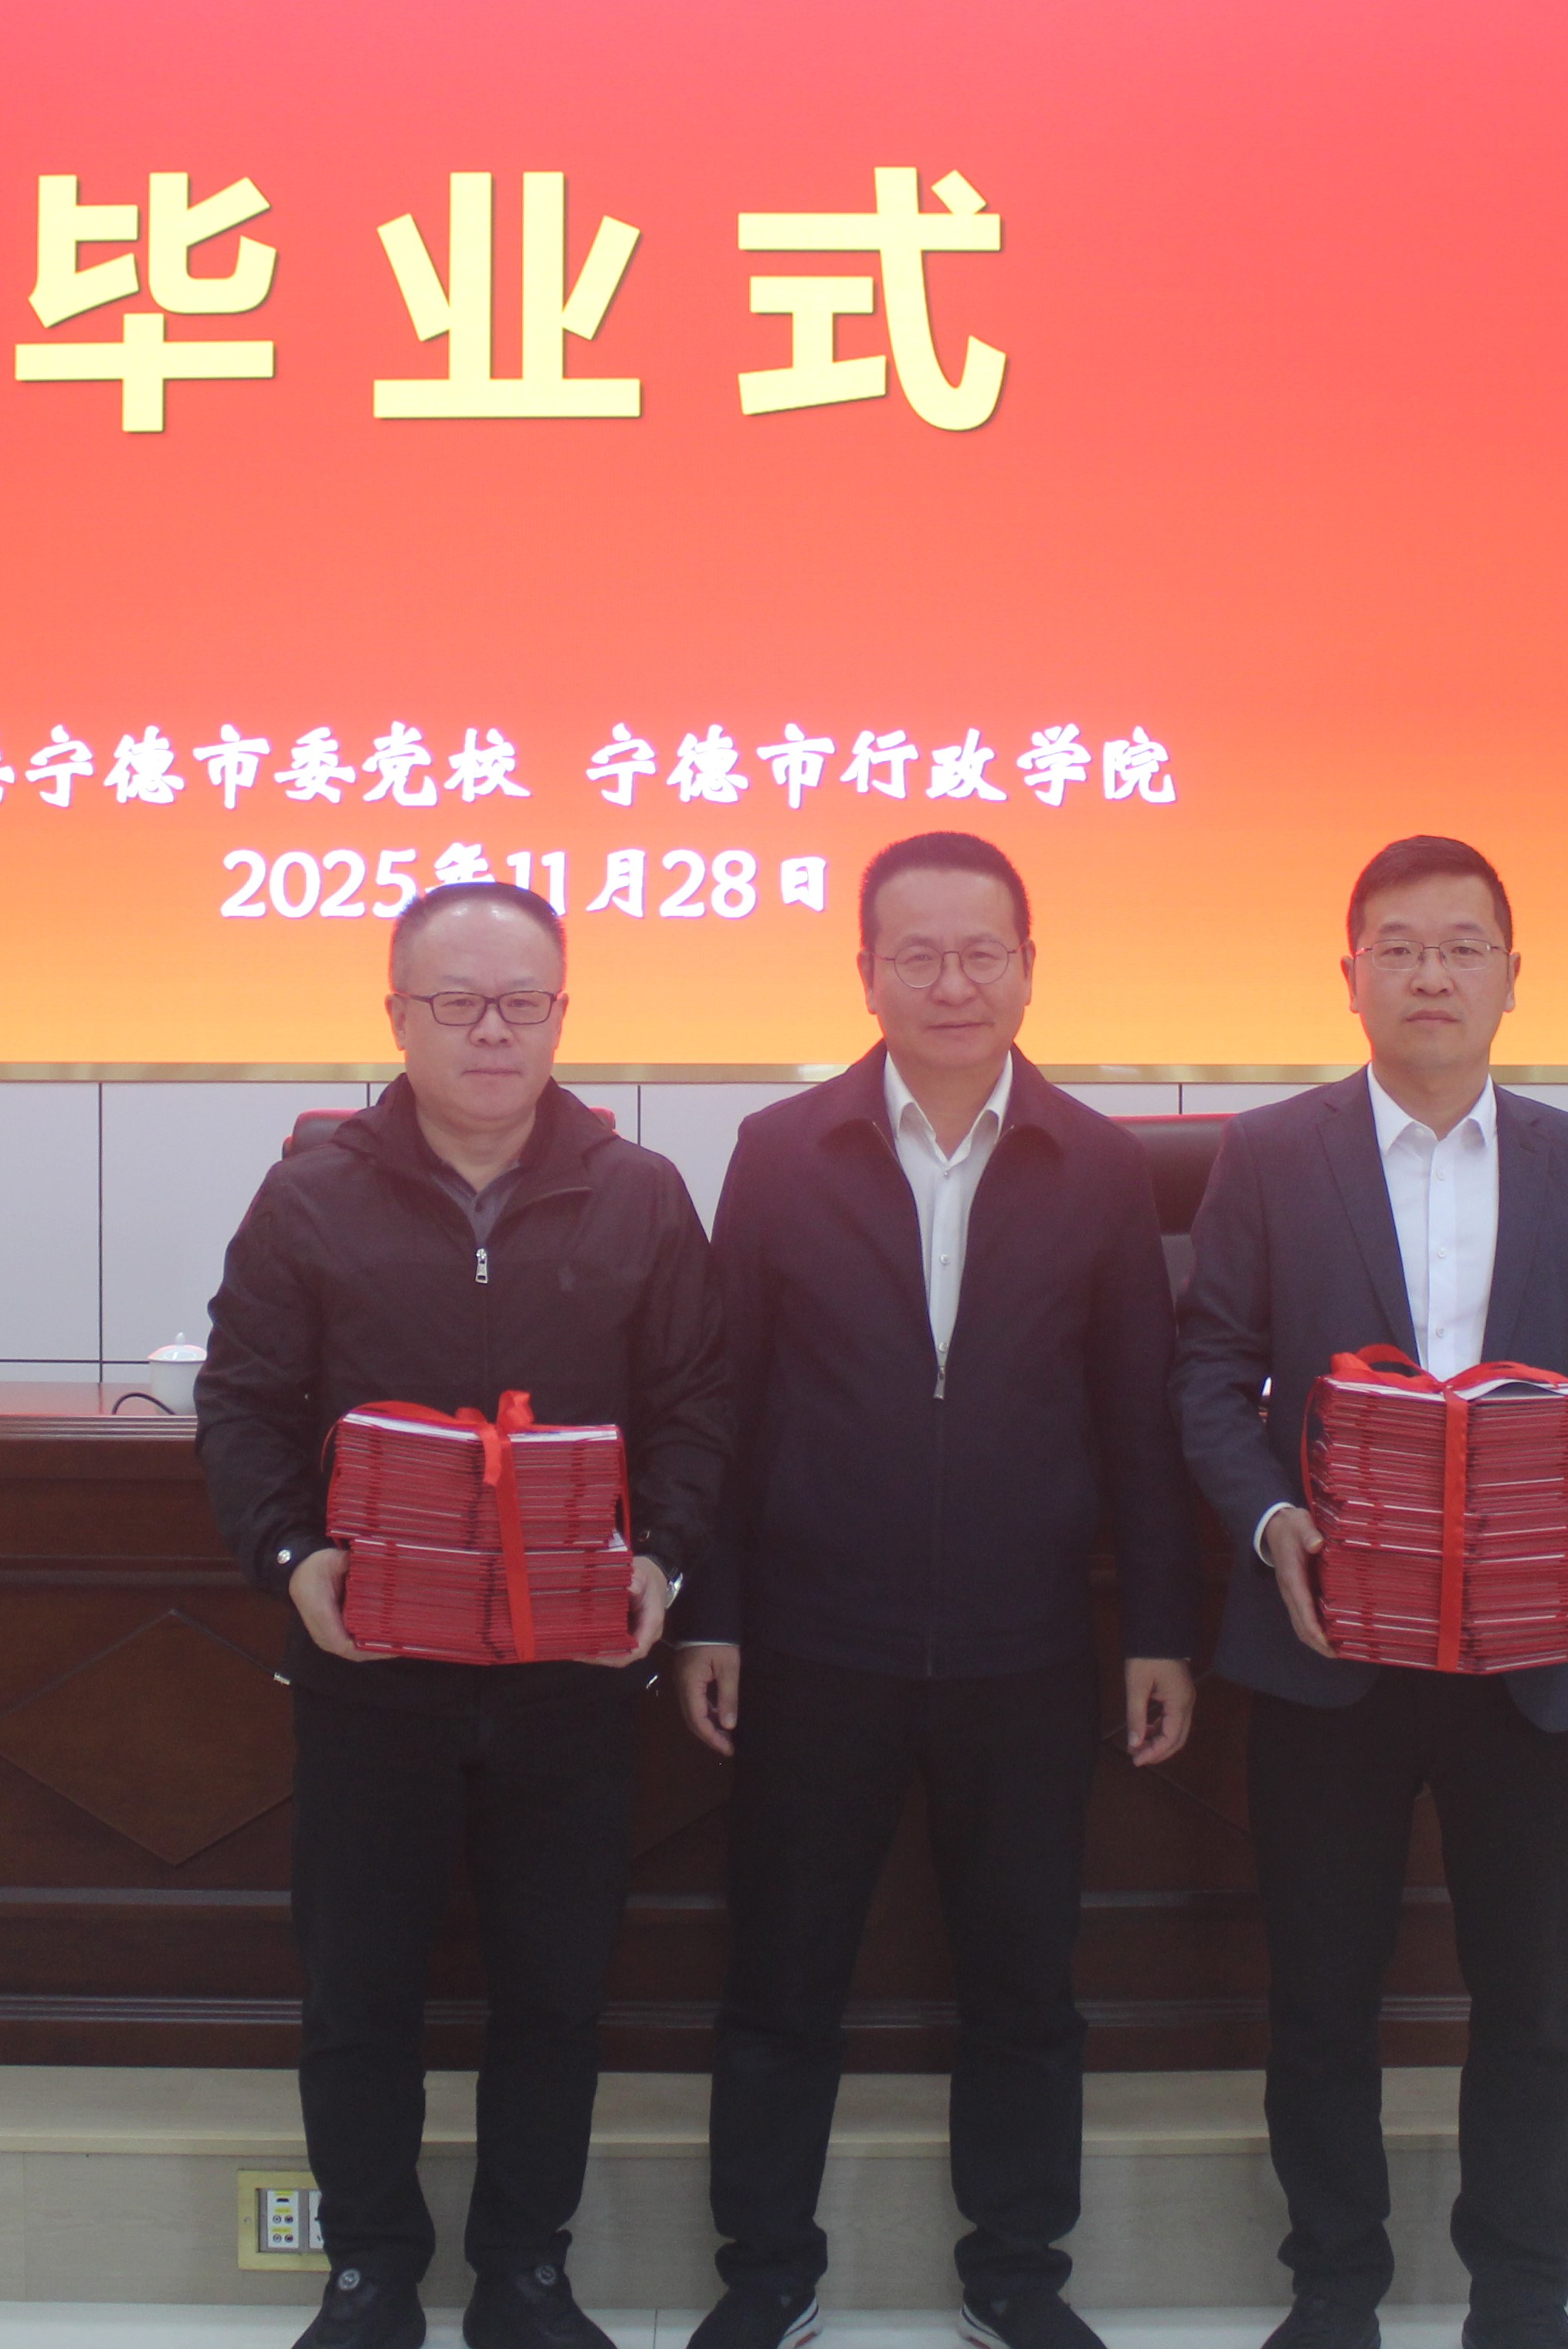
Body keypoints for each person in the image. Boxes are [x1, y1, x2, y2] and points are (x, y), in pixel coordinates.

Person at [672, 830, 1205, 2349]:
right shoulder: (782, 1151)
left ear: (1029, 970)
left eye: (982, 954)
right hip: (812, 1641)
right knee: (781, 1977)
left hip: (1023, 1646)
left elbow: (1139, 1418)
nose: (953, 983)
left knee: (1025, 1983)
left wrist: (1159, 1629)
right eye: (919, 954)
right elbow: (724, 1401)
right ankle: (765, 2273)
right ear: (867, 973)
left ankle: (1017, 2276)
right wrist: (712, 1611)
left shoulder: (1100, 1166)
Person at [199, 881, 735, 2349]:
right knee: (358, 1989)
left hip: (572, 1677)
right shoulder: (310, 1196)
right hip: (371, 1671)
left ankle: (526, 2274)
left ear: (563, 1014)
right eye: (457, 1003)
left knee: (555, 1992)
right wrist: (290, 1558)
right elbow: (241, 1405)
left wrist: (663, 1560)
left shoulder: (640, 1196)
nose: (492, 1032)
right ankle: (370, 2272)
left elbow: (698, 1407)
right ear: (398, 1017)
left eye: (522, 1003)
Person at [1172, 835, 1568, 2349]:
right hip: (1328, 1644)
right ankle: (1334, 2290)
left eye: (1463, 947)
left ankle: (1522, 2298)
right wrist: (1272, 1522)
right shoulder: (1271, 1156)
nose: (1431, 975)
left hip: (1533, 1652)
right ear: (1351, 978)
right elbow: (1209, 1373)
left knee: (1530, 2002)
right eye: (1398, 947)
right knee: (1322, 1998)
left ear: (1513, 977)